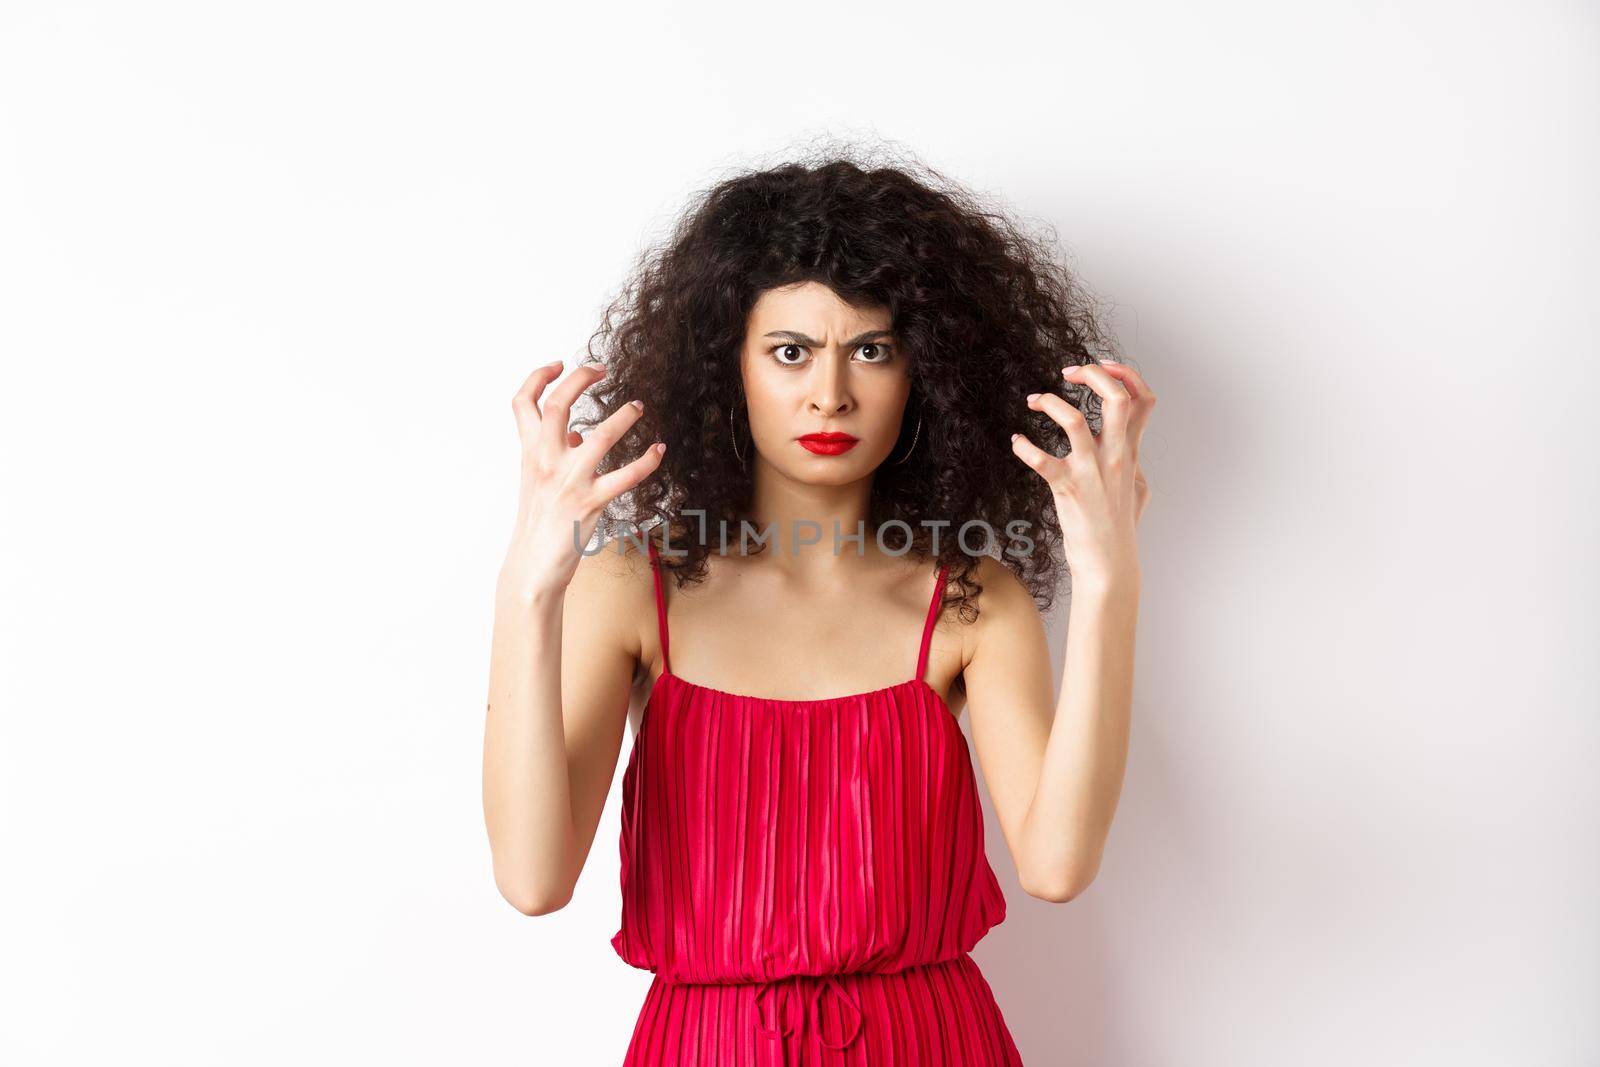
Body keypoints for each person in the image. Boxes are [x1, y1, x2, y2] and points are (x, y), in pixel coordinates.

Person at [482, 145, 1154, 1065]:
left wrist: (1110, 580)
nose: (830, 393)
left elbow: (1057, 865)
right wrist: (528, 586)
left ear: (926, 372)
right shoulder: (632, 590)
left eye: (870, 349)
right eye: (790, 351)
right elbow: (532, 878)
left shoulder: (966, 599)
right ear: (731, 367)